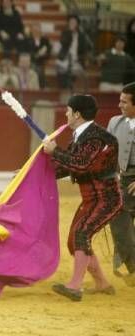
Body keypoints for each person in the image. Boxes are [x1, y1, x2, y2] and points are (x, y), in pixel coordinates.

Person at [42, 94, 123, 301]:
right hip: (92, 198)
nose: (66, 114)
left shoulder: (98, 138)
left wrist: (55, 151)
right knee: (74, 241)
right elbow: (66, 166)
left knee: (81, 233)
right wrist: (32, 173)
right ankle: (102, 283)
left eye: (68, 110)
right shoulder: (81, 136)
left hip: (107, 198)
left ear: (77, 114)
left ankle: (75, 287)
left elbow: (81, 163)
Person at [107, 82, 135, 287]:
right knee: (118, 220)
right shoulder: (115, 122)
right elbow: (106, 154)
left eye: (124, 102)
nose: (119, 105)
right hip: (122, 181)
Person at [56, 15, 92, 89]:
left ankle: (70, 87)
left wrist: (85, 59)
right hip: (64, 59)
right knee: (62, 72)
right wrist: (70, 32)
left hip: (76, 61)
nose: (72, 24)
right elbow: (64, 42)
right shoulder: (65, 33)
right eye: (71, 22)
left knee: (82, 76)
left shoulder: (81, 36)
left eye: (74, 22)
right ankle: (66, 88)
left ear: (77, 24)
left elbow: (85, 49)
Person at [24, 23, 51, 88]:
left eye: (37, 30)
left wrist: (43, 54)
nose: (36, 31)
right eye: (34, 30)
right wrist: (36, 55)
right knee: (34, 69)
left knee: (39, 69)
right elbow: (26, 51)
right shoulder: (27, 40)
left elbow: (48, 52)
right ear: (32, 31)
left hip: (41, 61)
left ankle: (41, 87)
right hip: (30, 61)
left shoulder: (45, 40)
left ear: (40, 30)